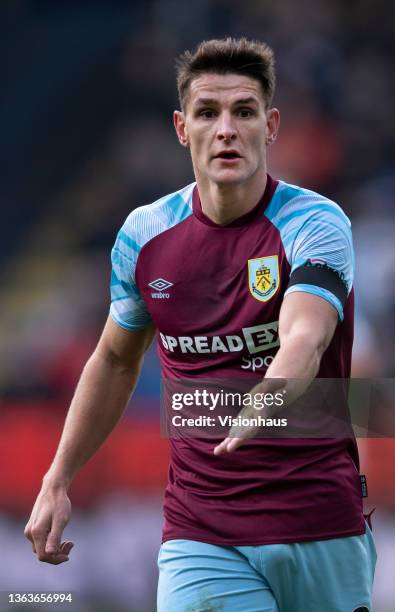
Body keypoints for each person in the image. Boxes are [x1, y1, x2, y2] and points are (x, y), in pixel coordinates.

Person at [25, 37, 376, 611]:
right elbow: (114, 358)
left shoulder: (315, 222)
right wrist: (57, 477)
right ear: (181, 128)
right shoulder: (144, 235)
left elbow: (305, 338)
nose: (227, 129)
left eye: (244, 111)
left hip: (319, 519)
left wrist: (264, 402)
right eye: (207, 113)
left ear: (272, 124)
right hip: (202, 530)